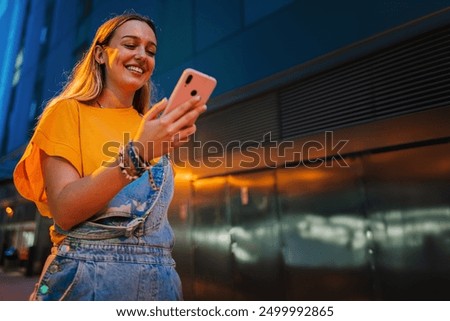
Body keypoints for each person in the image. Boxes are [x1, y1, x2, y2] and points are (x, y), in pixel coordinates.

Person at [13, 12, 206, 300]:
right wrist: (137, 156)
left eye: (150, 50)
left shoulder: (149, 125)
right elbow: (65, 211)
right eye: (130, 45)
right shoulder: (67, 112)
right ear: (101, 55)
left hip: (160, 280)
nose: (142, 55)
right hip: (85, 278)